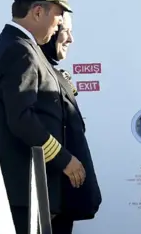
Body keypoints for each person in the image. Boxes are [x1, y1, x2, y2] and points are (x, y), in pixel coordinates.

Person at [0, 0, 86, 234]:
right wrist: (64, 160)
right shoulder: (19, 50)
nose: (60, 24)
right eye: (59, 16)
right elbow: (21, 119)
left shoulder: (28, 48)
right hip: (27, 191)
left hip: (39, 190)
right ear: (38, 11)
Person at [39, 12, 102, 234]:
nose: (70, 39)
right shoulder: (36, 69)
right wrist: (64, 160)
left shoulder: (54, 72)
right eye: (65, 30)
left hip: (62, 200)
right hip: (47, 198)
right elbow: (26, 126)